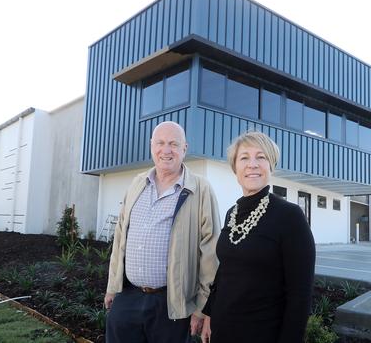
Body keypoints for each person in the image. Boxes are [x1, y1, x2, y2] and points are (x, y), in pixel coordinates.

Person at [104, 121, 221, 343]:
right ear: (151, 146)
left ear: (184, 148)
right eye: (160, 143)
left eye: (173, 144)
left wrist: (202, 307)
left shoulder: (200, 189)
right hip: (128, 297)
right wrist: (112, 287)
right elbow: (120, 237)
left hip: (171, 305)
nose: (165, 150)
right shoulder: (137, 183)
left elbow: (211, 251)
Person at [201, 131, 315, 343]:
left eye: (260, 157)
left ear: (271, 165)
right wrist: (209, 314)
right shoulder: (232, 213)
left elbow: (300, 295)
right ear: (235, 167)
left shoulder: (290, 216)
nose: (252, 164)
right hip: (223, 330)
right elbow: (225, 270)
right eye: (244, 157)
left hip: (262, 333)